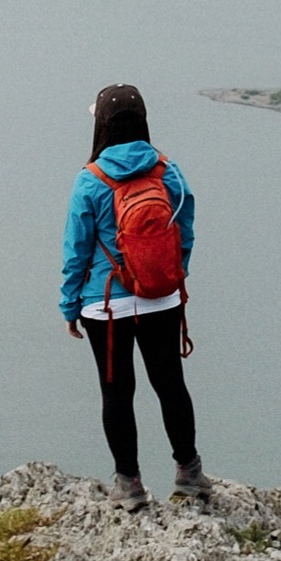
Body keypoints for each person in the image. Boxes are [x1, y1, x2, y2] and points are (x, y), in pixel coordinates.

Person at [61, 82, 213, 510]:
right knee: (170, 385)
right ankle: (189, 473)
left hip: (104, 303)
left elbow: (76, 250)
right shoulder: (168, 171)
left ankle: (129, 485)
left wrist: (70, 305)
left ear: (102, 126)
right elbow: (186, 230)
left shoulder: (90, 181)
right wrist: (171, 276)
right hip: (161, 298)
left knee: (116, 393)